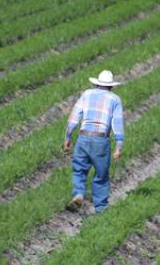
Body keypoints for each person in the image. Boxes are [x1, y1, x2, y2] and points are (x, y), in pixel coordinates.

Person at [63, 70, 124, 213]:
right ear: (111, 86)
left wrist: (67, 138)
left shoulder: (87, 94)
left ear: (96, 84)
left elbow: (74, 117)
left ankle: (78, 193)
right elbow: (117, 123)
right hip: (101, 140)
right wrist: (119, 146)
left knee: (79, 170)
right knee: (101, 175)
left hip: (83, 137)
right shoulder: (115, 99)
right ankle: (101, 209)